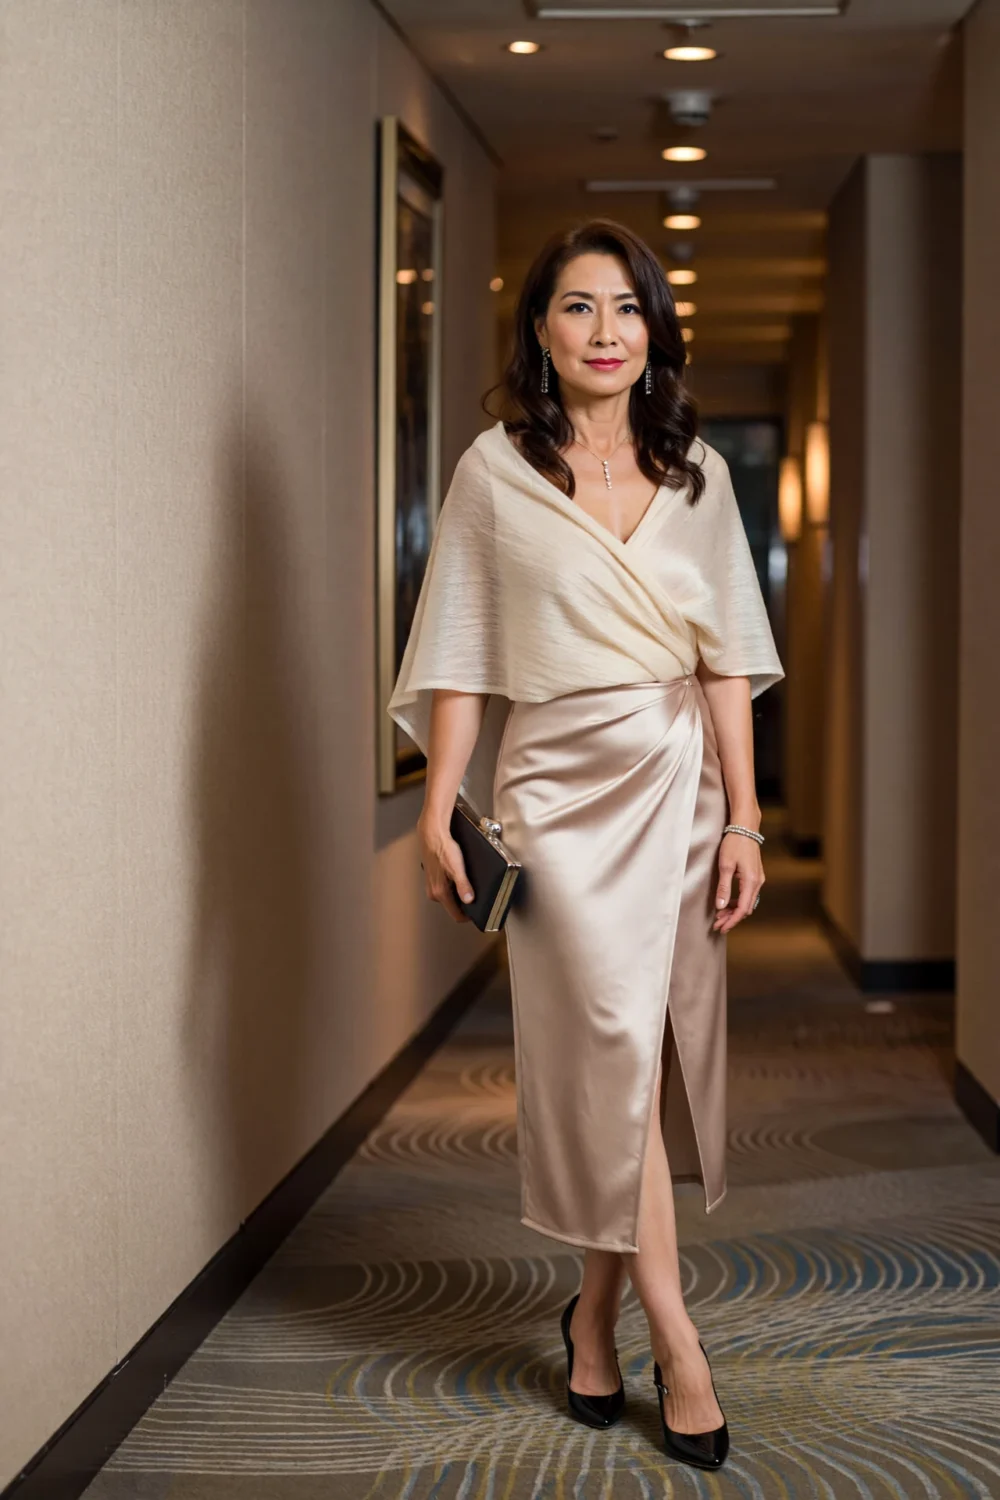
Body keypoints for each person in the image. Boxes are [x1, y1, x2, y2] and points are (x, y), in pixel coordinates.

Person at [387, 218, 784, 1472]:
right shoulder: (493, 473)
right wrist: (442, 807)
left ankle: (597, 1315)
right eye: (577, 308)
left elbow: (726, 658)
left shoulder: (698, 477)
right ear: (540, 333)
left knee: (645, 1056)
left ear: (655, 331)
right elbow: (457, 649)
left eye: (626, 308)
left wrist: (744, 814)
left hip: (675, 782)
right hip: (555, 792)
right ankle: (677, 1332)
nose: (605, 332)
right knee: (600, 1049)